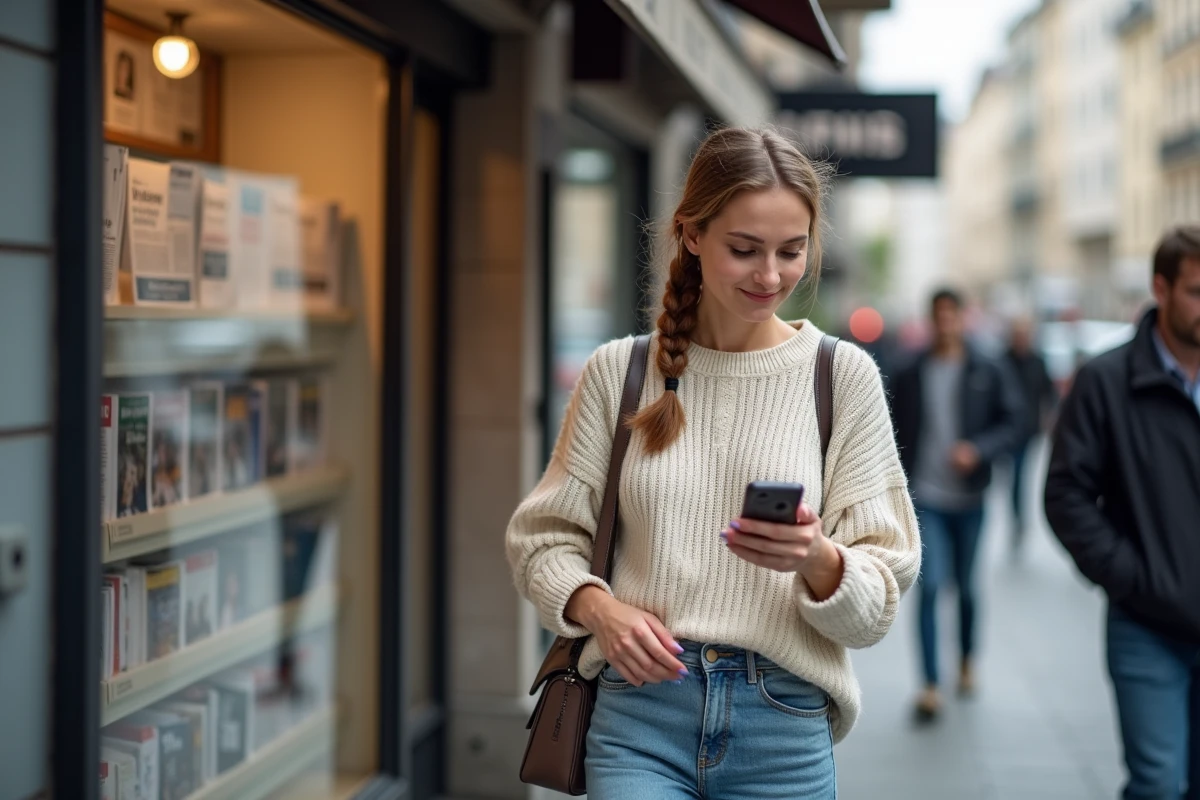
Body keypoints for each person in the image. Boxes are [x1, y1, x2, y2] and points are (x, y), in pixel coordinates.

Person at [505, 127, 921, 799]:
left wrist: (817, 559)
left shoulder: (842, 378)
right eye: (744, 249)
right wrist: (599, 610)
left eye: (792, 251)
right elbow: (542, 541)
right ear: (691, 235)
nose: (771, 275)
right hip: (638, 710)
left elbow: (876, 610)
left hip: (782, 721)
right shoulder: (621, 371)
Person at [1044, 226, 1200, 800]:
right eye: (1198, 291)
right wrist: (1132, 578)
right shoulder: (1105, 381)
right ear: (1160, 287)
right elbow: (1064, 494)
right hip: (1147, 625)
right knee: (1158, 785)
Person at [890, 289, 1023, 720]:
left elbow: (1013, 423)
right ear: (931, 319)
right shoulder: (911, 370)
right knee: (929, 588)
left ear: (963, 317)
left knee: (965, 588)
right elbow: (888, 425)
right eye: (939, 314)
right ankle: (929, 683)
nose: (946, 321)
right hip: (925, 497)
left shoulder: (987, 367)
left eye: (953, 314)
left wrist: (979, 451)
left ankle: (966, 659)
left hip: (970, 498)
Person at [1003, 317, 1057, 554]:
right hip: (1006, 430)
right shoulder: (1002, 361)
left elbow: (1049, 392)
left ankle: (1018, 519)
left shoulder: (1038, 361)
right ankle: (1016, 517)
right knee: (1012, 477)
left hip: (1027, 431)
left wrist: (1049, 415)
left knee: (1019, 475)